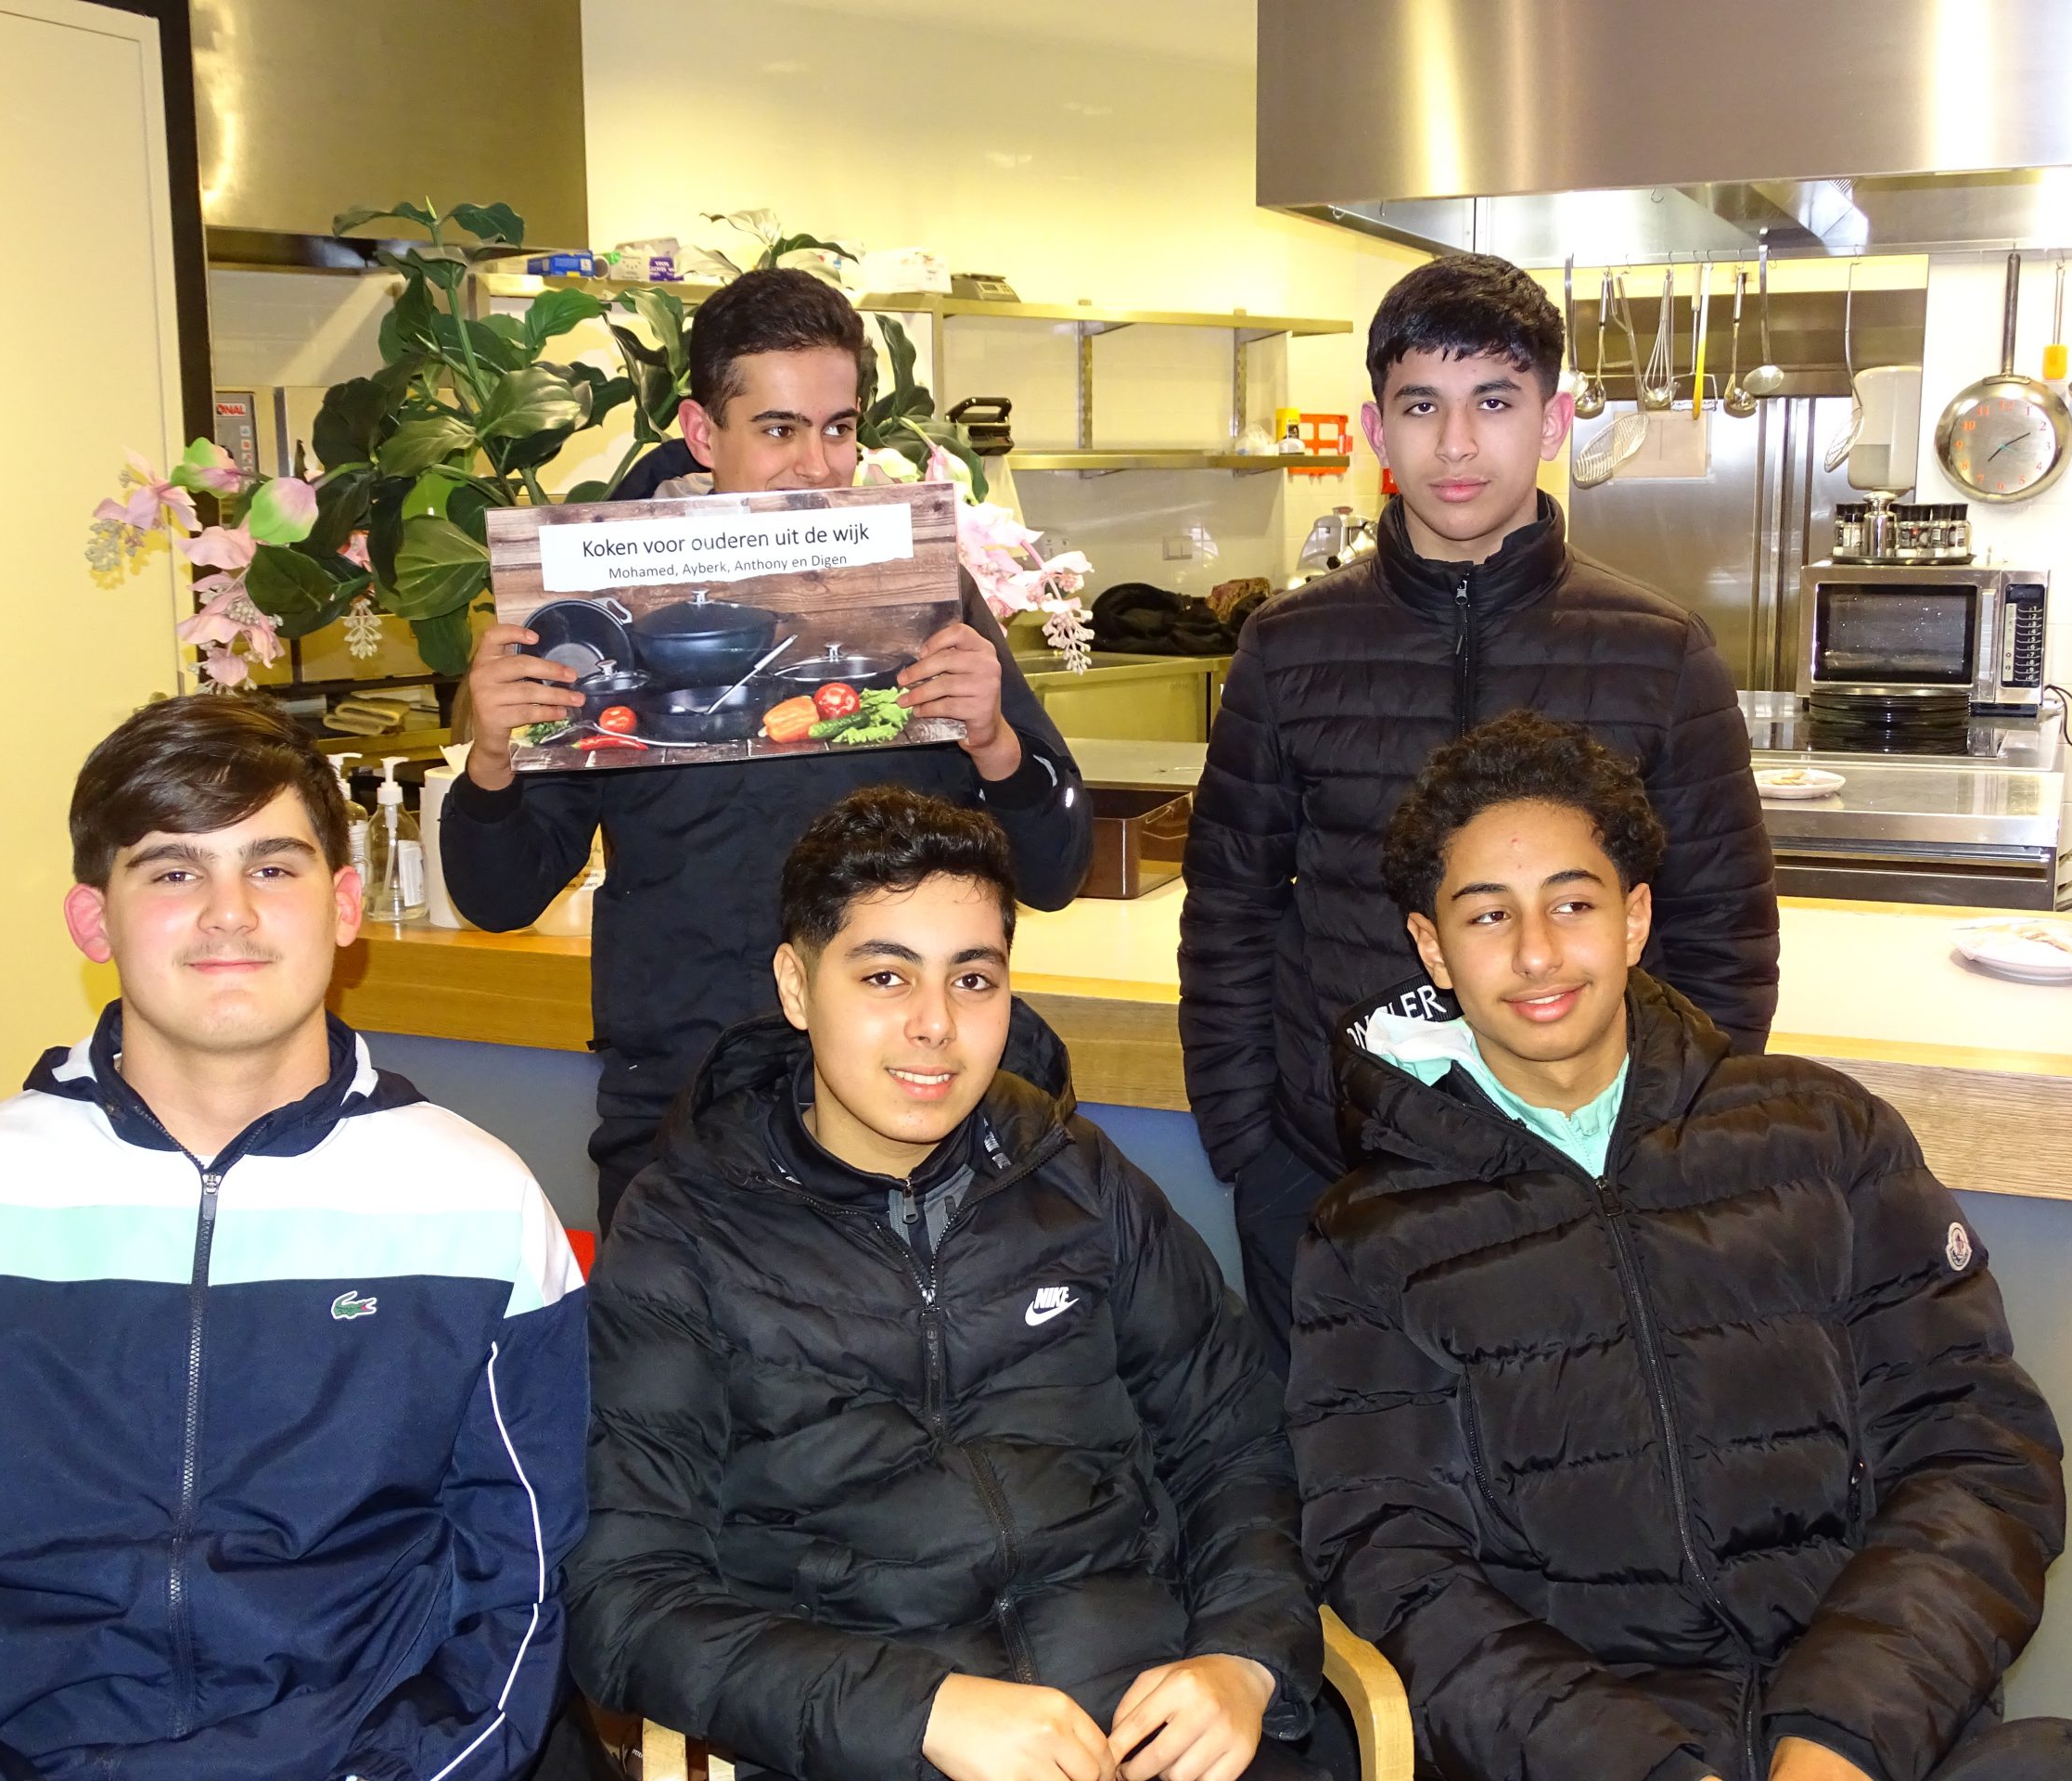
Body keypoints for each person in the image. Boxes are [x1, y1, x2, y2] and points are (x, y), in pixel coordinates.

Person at [0, 695, 589, 1781]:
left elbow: (522, 1594)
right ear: (92, 921)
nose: (228, 914)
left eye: (272, 867)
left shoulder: (478, 1206)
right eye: (172, 872)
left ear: (344, 905)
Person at [1288, 711, 2072, 1781]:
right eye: (1487, 915)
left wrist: (1840, 1738)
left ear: (1633, 918)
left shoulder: (1821, 1137)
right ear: (1431, 948)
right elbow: (1397, 1569)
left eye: (1572, 903)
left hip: (1872, 1732)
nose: (1536, 953)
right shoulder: (1370, 1240)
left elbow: (1976, 1454)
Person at [566, 786, 1322, 1781]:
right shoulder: (686, 1229)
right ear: (796, 986)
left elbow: (1237, 1439)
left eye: (972, 979)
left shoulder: (1078, 1177)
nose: (935, 1025)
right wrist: (919, 1711)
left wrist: (1244, 1656)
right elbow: (626, 1594)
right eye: (885, 977)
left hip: (1144, 1728)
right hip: (863, 1744)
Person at [1178, 250, 1780, 1376]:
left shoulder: (1658, 652)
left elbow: (1724, 935)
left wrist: (1664, 1150)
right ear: (1376, 428)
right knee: (1335, 1466)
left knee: (1556, 1462)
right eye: (1421, 406)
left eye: (1493, 402)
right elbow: (1228, 910)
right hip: (1328, 1171)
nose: (1455, 445)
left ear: (1551, 421)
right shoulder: (1288, 646)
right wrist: (1249, 1147)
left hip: (1580, 1177)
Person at [442, 267, 1094, 1230]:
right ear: (703, 434)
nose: (818, 466)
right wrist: (494, 760)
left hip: (906, 1112)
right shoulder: (591, 600)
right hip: (682, 1115)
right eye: (780, 430)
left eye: (838, 428)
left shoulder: (920, 591)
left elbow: (1055, 870)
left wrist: (995, 742)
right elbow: (499, 898)